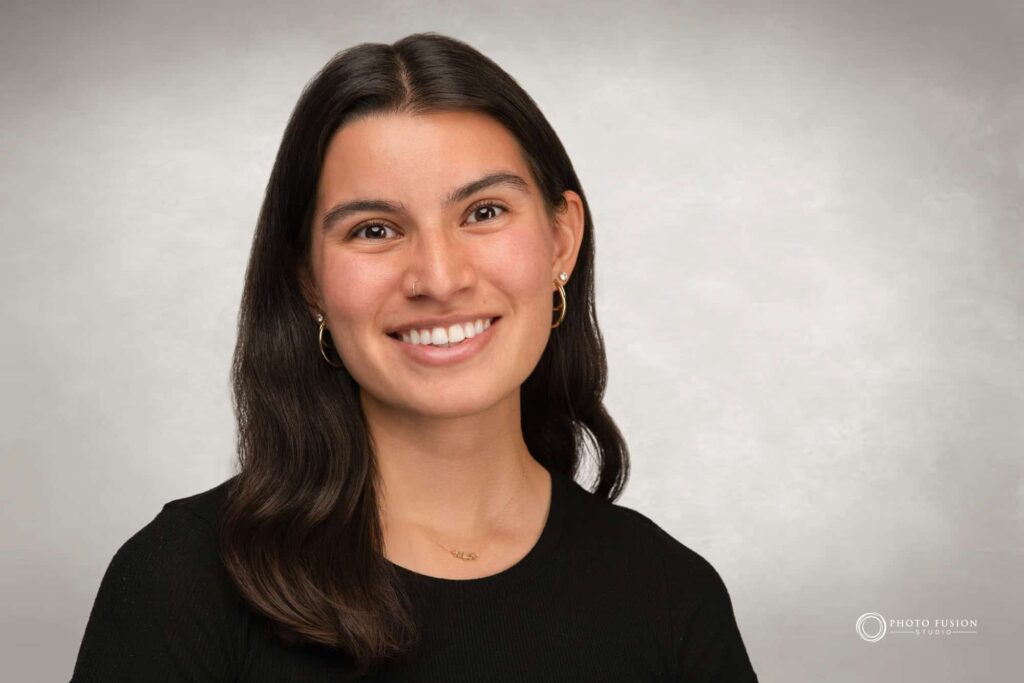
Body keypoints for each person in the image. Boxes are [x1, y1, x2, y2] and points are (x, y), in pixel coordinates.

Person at [70, 32, 759, 682]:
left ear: (561, 240)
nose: (438, 276)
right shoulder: (181, 579)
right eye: (375, 229)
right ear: (309, 279)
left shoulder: (671, 596)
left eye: (484, 212)